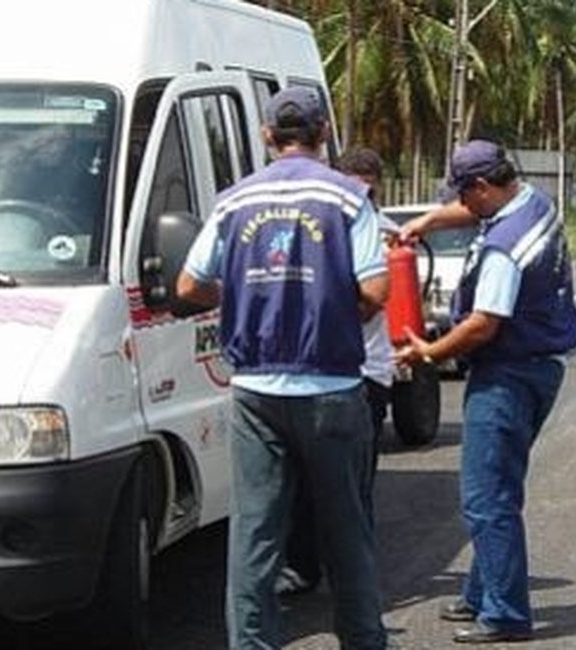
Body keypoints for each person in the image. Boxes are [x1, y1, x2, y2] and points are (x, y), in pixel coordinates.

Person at [176, 86, 389, 650]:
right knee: (347, 533)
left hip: (254, 393)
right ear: (324, 134)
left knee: (253, 538)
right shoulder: (348, 198)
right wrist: (327, 308)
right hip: (333, 388)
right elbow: (375, 291)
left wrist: (247, 296)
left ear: (268, 137)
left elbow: (189, 285)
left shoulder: (234, 201)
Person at [395, 139, 576, 644]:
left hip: (508, 373)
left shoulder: (506, 245)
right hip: (538, 365)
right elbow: (468, 210)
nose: (464, 205)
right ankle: (483, 591)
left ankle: (504, 613)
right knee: (499, 485)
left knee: (486, 496)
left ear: (483, 187)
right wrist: (427, 223)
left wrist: (429, 353)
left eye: (465, 195)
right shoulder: (533, 202)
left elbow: (483, 324)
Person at [277, 146, 398, 597]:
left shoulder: (385, 234)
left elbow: (375, 305)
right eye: (355, 184)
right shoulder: (320, 229)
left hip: (365, 372)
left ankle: (357, 578)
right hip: (316, 371)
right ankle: (304, 566)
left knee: (354, 486)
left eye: (370, 185)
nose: (363, 193)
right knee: (303, 482)